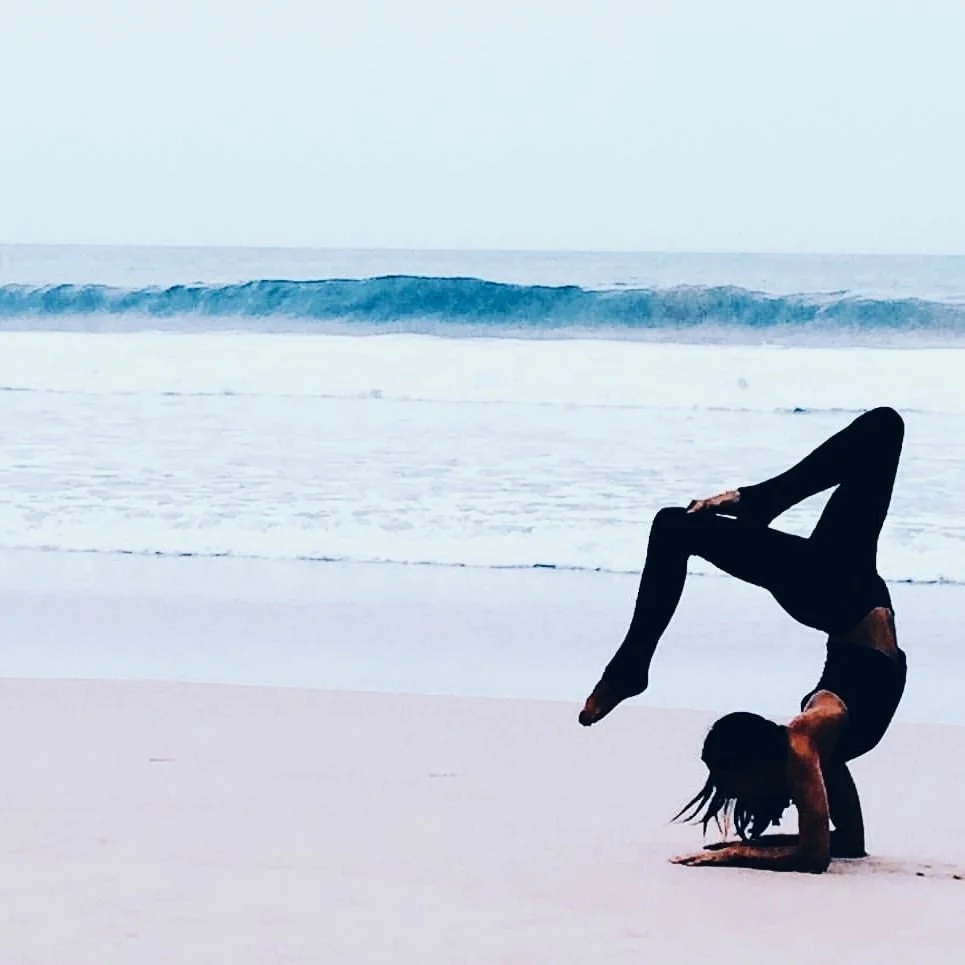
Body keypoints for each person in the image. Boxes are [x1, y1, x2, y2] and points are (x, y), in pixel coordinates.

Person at [579, 407, 908, 873]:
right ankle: (761, 502)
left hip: (836, 596)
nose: (730, 792)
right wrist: (756, 846)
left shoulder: (812, 740)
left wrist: (739, 851)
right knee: (883, 429)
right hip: (848, 593)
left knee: (675, 527)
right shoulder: (814, 747)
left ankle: (630, 669)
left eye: (728, 781)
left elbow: (816, 851)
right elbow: (841, 845)